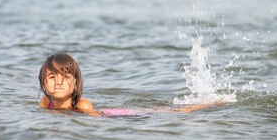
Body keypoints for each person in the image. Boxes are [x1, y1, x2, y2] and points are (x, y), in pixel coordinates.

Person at [38, 52, 224, 116]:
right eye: (53, 77)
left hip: (115, 115)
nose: (59, 82)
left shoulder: (83, 105)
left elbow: (98, 122)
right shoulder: (45, 103)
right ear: (44, 83)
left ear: (76, 83)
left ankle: (209, 103)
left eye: (66, 76)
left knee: (164, 112)